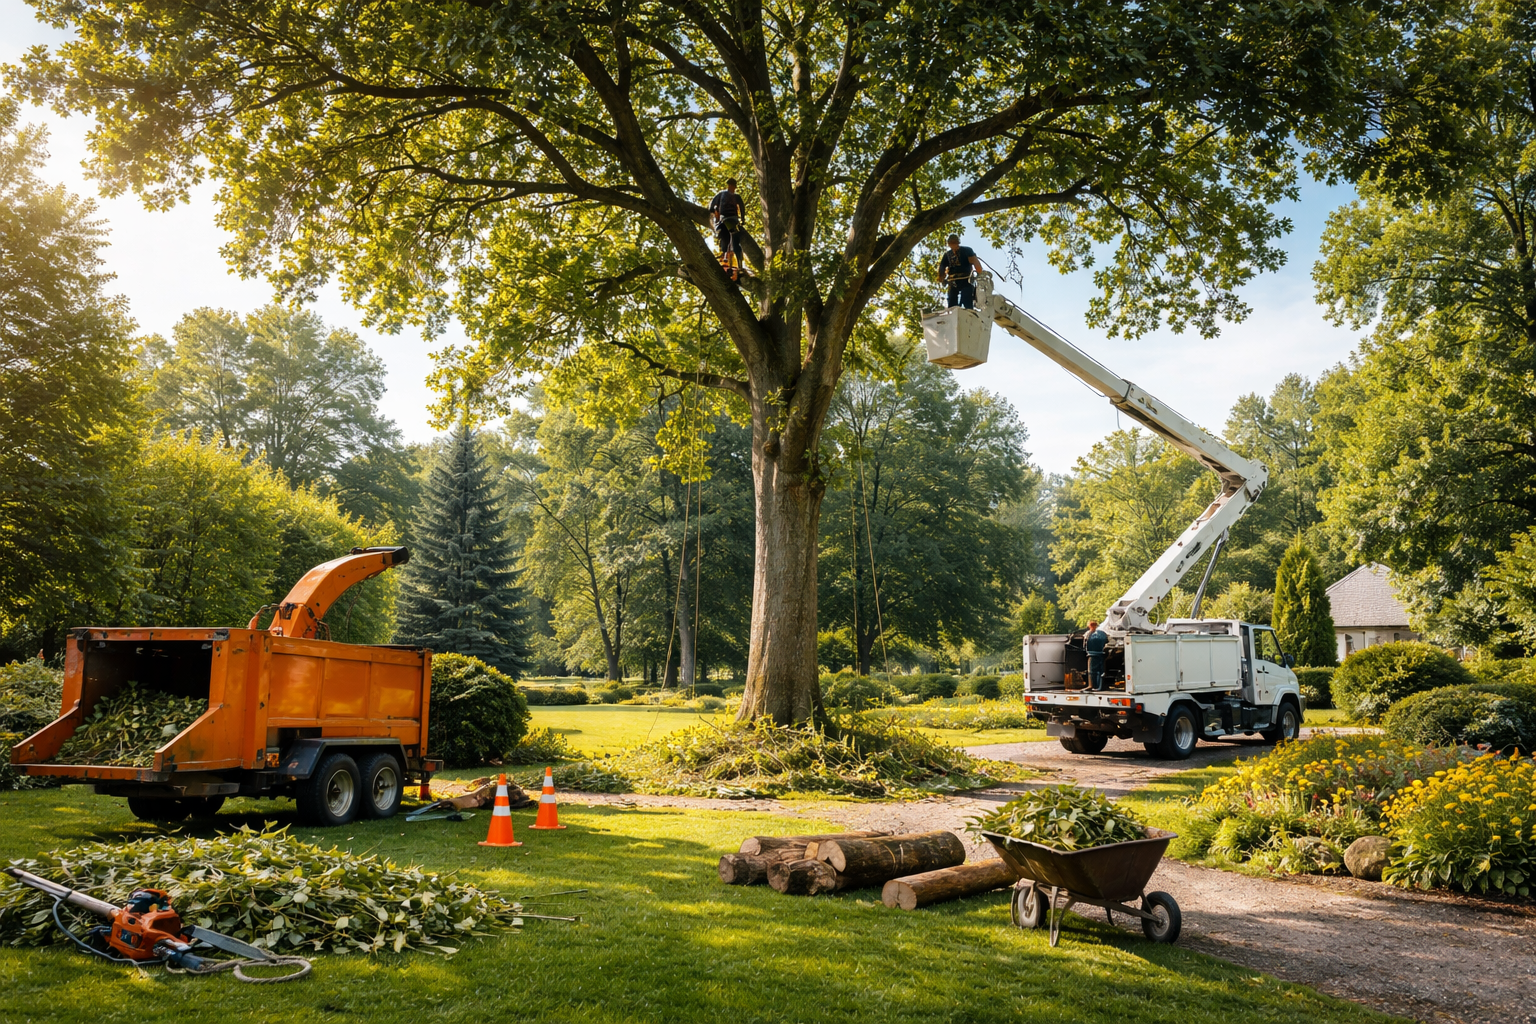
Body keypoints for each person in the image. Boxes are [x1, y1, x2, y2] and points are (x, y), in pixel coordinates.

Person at [709, 178, 746, 279]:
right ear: (728, 185)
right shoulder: (721, 194)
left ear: (735, 187)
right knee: (724, 237)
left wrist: (742, 219)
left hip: (733, 220)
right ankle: (725, 257)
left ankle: (739, 264)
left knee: (734, 239)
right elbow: (712, 205)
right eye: (730, 185)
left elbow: (742, 207)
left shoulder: (736, 196)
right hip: (723, 219)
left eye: (733, 186)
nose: (732, 187)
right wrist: (715, 211)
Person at [935, 233, 983, 309]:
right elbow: (942, 268)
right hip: (953, 281)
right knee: (952, 300)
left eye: (954, 242)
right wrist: (942, 279)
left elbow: (975, 262)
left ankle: (969, 313)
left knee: (966, 297)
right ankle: (953, 314)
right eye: (951, 243)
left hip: (966, 279)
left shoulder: (967, 250)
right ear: (949, 244)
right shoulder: (947, 255)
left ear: (958, 242)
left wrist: (980, 273)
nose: (953, 245)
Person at [1085, 620, 1109, 691]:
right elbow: (1106, 641)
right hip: (1101, 654)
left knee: (1091, 671)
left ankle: (1091, 685)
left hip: (1092, 654)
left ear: (1089, 626)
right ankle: (1101, 686)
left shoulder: (1088, 634)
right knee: (1101, 671)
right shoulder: (1102, 633)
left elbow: (1085, 643)